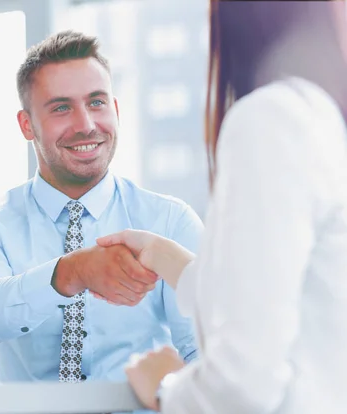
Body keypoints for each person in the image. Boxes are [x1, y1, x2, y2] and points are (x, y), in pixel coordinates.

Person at [97, 1, 347, 413]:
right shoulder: (321, 124)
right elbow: (296, 297)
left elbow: (242, 384)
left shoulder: (274, 119)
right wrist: (167, 259)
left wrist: (167, 389)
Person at [0, 30, 201, 385]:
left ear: (115, 109)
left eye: (97, 103)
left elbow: (206, 350)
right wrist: (72, 272)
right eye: (62, 108)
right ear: (26, 125)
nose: (85, 125)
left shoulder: (170, 221)